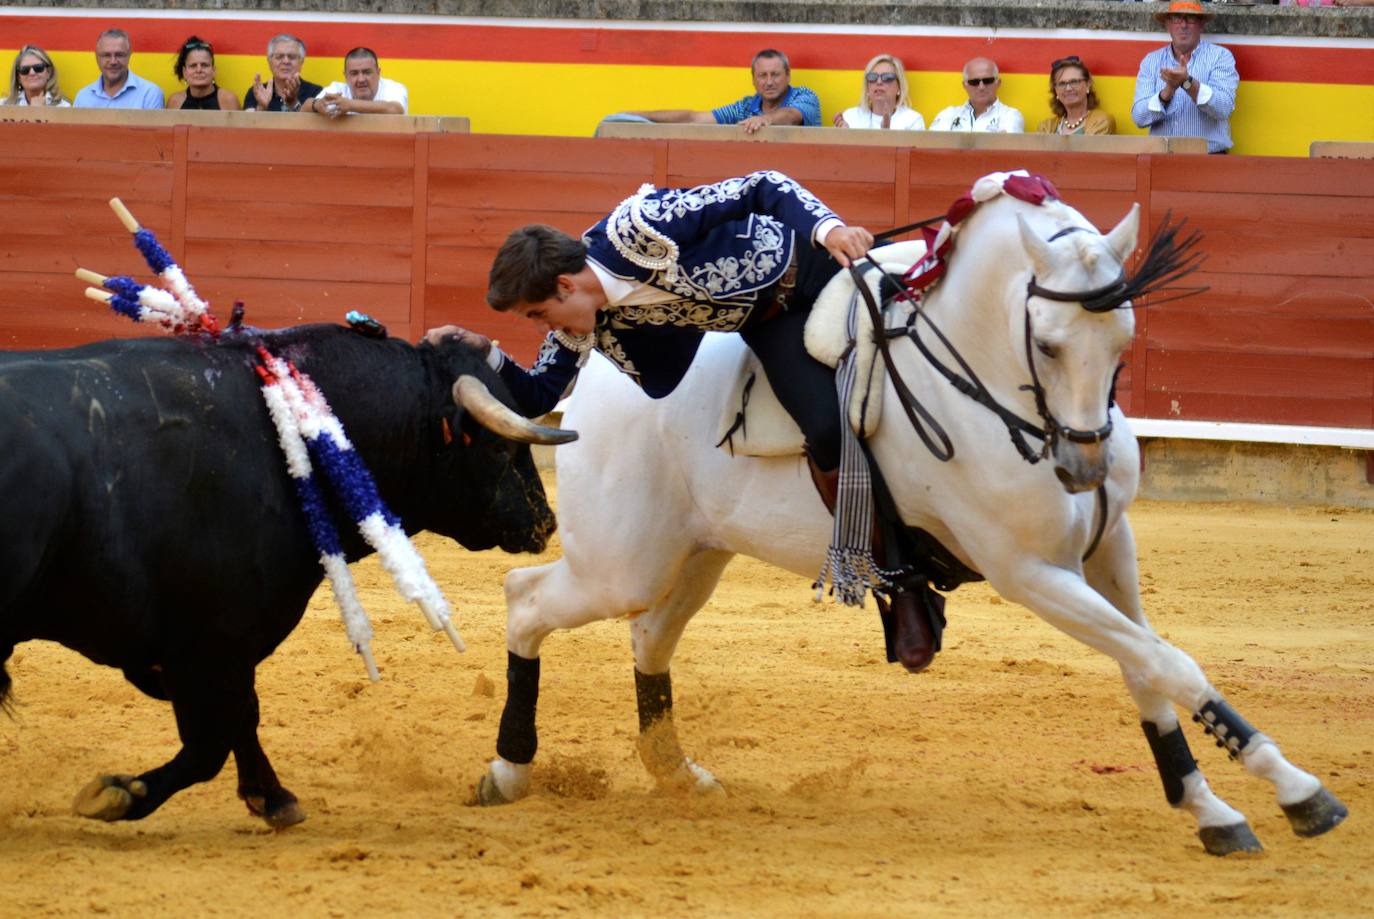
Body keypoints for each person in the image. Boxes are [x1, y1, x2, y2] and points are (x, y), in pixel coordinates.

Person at [427, 171, 948, 673]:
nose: (542, 326)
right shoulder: (584, 319)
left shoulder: (639, 228)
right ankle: (901, 583)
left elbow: (760, 185)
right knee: (828, 430)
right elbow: (537, 394)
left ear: (565, 285)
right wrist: (483, 357)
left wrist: (828, 228)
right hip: (769, 320)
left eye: (536, 314)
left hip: (811, 270)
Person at [619, 49, 821, 134]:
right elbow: (694, 118)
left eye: (775, 74)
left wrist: (764, 120)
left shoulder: (804, 95)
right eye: (762, 75)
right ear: (753, 80)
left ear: (788, 76)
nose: (769, 82)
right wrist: (640, 115)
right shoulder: (744, 107)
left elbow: (792, 116)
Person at [1131, 0, 1238, 154]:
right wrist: (1166, 93)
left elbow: (1224, 108)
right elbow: (1139, 118)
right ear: (1167, 24)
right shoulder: (1151, 61)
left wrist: (1187, 83)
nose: (1183, 25)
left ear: (1201, 24)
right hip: (1162, 160)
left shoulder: (1220, 56)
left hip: (1210, 159)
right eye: (1177, 18)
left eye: (1191, 18)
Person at [72, 29, 164, 109]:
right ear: (97, 57)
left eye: (119, 55)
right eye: (106, 55)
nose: (113, 61)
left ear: (129, 56)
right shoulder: (83, 96)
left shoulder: (149, 94)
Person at [304, 47, 408, 116]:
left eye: (367, 72)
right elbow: (305, 108)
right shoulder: (337, 88)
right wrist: (317, 104)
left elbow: (395, 109)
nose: (361, 79)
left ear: (378, 72)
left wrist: (351, 105)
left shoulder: (394, 88)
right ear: (346, 76)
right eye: (354, 73)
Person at [928, 57, 1024, 133]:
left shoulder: (1011, 115)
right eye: (974, 82)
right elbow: (932, 145)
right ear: (965, 86)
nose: (981, 87)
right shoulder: (948, 114)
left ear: (998, 83)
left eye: (987, 81)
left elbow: (1005, 149)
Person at [832, 54, 925, 130]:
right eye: (872, 77)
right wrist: (844, 138)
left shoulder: (912, 120)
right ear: (867, 87)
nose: (879, 82)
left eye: (887, 77)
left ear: (899, 87)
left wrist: (886, 138)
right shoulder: (850, 117)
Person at [1035, 56, 1115, 136]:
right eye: (1062, 84)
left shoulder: (1101, 121)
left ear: (1088, 84)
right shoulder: (1045, 127)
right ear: (1055, 91)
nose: (1068, 88)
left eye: (1074, 82)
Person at [243, 34, 322, 112]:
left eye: (292, 57)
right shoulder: (257, 93)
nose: (286, 61)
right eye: (279, 56)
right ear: (269, 61)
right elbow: (248, 124)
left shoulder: (316, 92)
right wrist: (261, 106)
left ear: (302, 62)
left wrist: (293, 104)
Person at [167, 36, 238, 111]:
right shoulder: (175, 102)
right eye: (193, 66)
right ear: (184, 72)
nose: (199, 70)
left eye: (204, 65)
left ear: (213, 71)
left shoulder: (228, 100)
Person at [2, 45, 69, 107]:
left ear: (49, 72)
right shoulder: (3, 106)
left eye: (38, 67)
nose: (32, 73)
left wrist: (38, 112)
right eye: (25, 69)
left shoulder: (63, 106)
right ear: (18, 77)